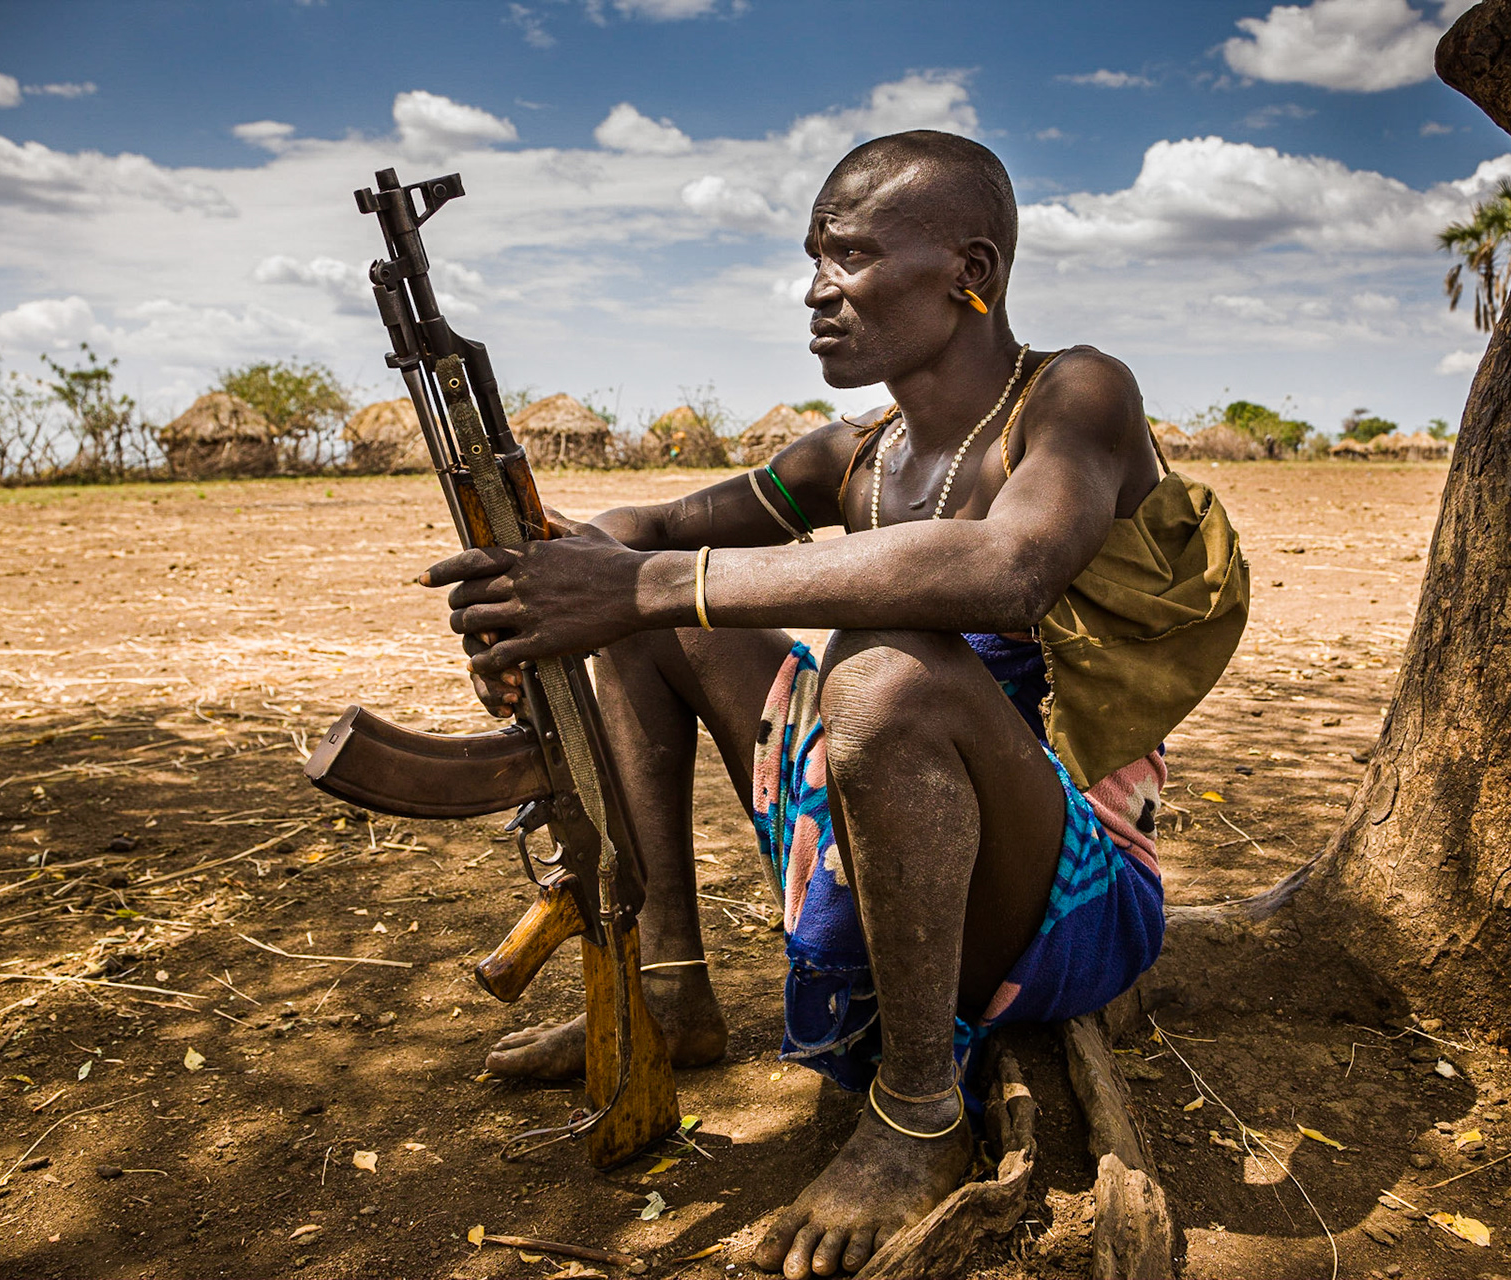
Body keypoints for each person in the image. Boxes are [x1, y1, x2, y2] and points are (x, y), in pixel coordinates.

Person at [422, 129, 1247, 1278]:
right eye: (813, 257)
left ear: (975, 271)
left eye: (852, 257)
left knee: (882, 668)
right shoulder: (849, 457)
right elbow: (642, 533)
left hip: (1071, 891)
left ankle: (919, 1111)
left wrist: (652, 583)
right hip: (879, 843)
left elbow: (1010, 569)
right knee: (651, 622)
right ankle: (670, 994)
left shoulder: (1074, 397)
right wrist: (543, 587)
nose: (818, 292)